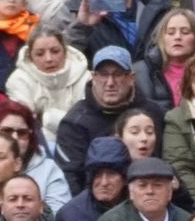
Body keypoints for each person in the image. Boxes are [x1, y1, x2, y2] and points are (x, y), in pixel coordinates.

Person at [55, 45, 165, 195]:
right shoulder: (74, 122)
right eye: (103, 75)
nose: (110, 82)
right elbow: (70, 177)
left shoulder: (153, 113)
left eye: (118, 74)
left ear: (131, 78)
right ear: (93, 78)